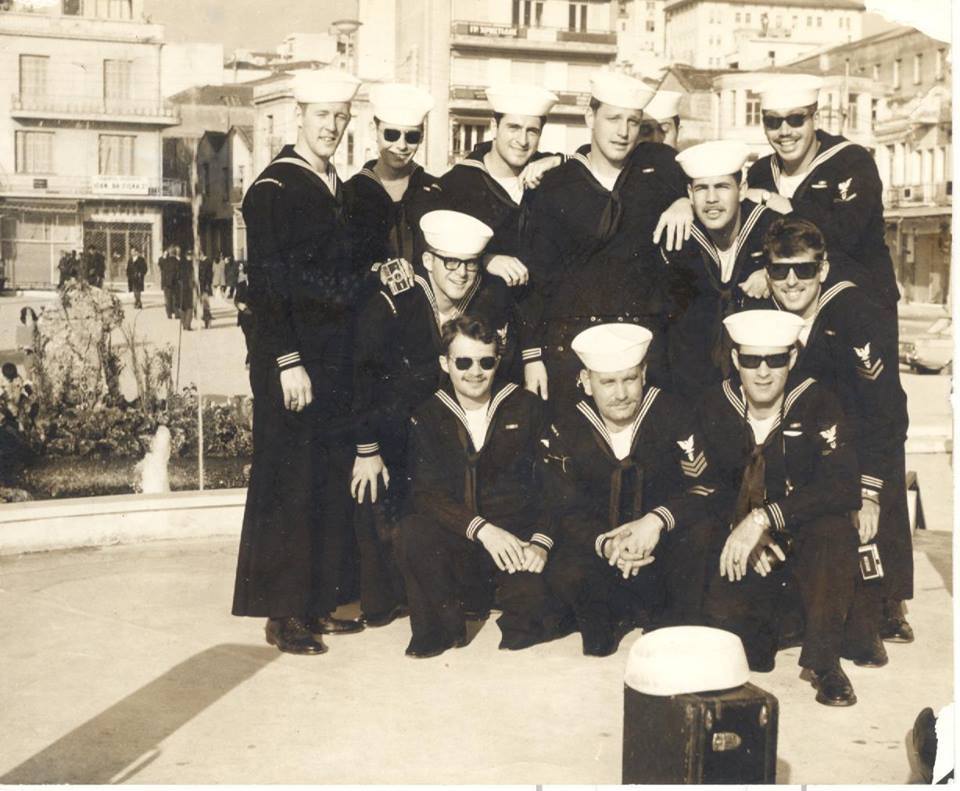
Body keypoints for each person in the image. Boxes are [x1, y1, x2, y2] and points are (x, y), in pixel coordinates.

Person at [232, 69, 364, 655]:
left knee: (322, 479)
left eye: (340, 117)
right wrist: (289, 362)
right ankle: (283, 613)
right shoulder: (274, 188)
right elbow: (267, 286)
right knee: (287, 482)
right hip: (291, 359)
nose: (332, 127)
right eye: (321, 117)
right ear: (299, 118)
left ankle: (314, 604)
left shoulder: (332, 182)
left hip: (332, 360)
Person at [353, 209, 534, 626]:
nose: (461, 273)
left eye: (470, 263)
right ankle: (384, 599)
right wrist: (367, 448)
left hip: (448, 432)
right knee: (379, 499)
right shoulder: (395, 299)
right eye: (449, 262)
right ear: (428, 261)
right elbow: (361, 376)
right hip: (393, 430)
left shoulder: (488, 297)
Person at [757, 216, 913, 654]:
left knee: (865, 537)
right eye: (779, 269)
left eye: (804, 269)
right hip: (807, 456)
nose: (791, 282)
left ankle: (887, 602)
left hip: (862, 450)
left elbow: (884, 414)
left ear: (822, 270)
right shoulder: (766, 320)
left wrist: (871, 491)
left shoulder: (854, 313)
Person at [700, 309, 862, 707]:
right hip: (745, 550)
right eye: (752, 359)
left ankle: (825, 663)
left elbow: (842, 487)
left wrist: (766, 519)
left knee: (834, 530)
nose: (763, 372)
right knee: (752, 656)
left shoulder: (818, 401)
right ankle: (782, 625)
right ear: (735, 359)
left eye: (775, 359)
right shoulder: (715, 405)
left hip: (800, 545)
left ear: (792, 359)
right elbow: (704, 487)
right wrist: (742, 529)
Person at [543, 323, 718, 656]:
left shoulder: (673, 413)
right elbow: (564, 505)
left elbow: (704, 486)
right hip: (604, 554)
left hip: (661, 548)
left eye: (630, 379)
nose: (621, 393)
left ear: (644, 373)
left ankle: (668, 617)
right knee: (569, 573)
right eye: (608, 382)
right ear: (586, 382)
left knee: (701, 535)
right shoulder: (567, 426)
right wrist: (607, 543)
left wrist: (656, 521)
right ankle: (611, 614)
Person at [520, 69, 693, 407]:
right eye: (613, 118)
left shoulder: (661, 169)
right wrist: (531, 356)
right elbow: (535, 278)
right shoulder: (556, 184)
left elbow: (704, 185)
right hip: (572, 344)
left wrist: (683, 200)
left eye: (632, 121)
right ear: (590, 116)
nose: (623, 131)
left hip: (641, 344)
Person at [397, 314, 564, 657]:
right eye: (464, 362)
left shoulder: (526, 406)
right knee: (411, 530)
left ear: (498, 361)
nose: (476, 372)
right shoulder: (427, 415)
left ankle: (497, 599)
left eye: (486, 362)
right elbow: (426, 494)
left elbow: (555, 484)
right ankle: (441, 628)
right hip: (461, 535)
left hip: (514, 540)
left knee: (530, 625)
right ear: (445, 363)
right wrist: (482, 529)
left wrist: (540, 543)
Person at [744, 74, 898, 315]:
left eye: (796, 119)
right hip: (787, 306)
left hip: (856, 303)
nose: (785, 132)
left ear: (815, 119)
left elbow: (847, 235)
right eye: (773, 122)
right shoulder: (761, 171)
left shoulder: (851, 161)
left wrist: (783, 204)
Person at [663, 140, 774, 399]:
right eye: (702, 188)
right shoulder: (677, 238)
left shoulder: (771, 230)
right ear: (689, 194)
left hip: (758, 386)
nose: (711, 199)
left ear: (742, 189)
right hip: (692, 387)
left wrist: (774, 274)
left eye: (722, 187)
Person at [344, 82, 437, 302]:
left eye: (411, 136)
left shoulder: (436, 191)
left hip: (422, 312)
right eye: (392, 134)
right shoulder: (349, 194)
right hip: (368, 312)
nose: (401, 145)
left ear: (422, 137)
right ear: (373, 131)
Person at [177, 248, 196, 331]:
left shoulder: (181, 264)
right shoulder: (192, 265)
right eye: (189, 255)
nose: (190, 257)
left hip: (182, 288)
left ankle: (184, 324)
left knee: (183, 307)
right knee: (189, 307)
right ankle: (187, 325)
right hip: (188, 288)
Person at [159, 245, 179, 319]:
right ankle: (177, 313)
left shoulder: (165, 261)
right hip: (175, 283)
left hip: (166, 283)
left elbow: (160, 264)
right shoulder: (177, 261)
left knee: (167, 299)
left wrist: (164, 255)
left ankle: (169, 314)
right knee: (175, 298)